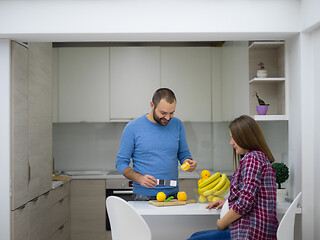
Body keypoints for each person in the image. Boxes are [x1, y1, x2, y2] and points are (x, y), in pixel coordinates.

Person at [188, 115, 278, 240]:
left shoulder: (252, 158)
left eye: (233, 138)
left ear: (245, 138)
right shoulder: (257, 157)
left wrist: (222, 223)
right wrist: (227, 203)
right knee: (195, 236)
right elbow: (252, 196)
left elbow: (245, 202)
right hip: (251, 230)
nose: (231, 143)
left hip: (249, 233)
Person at [116, 88, 197, 201]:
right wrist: (139, 178)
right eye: (163, 113)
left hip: (173, 195)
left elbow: (183, 154)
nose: (168, 118)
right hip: (143, 196)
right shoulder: (133, 128)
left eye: (171, 113)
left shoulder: (177, 125)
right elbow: (120, 163)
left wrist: (188, 161)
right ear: (152, 105)